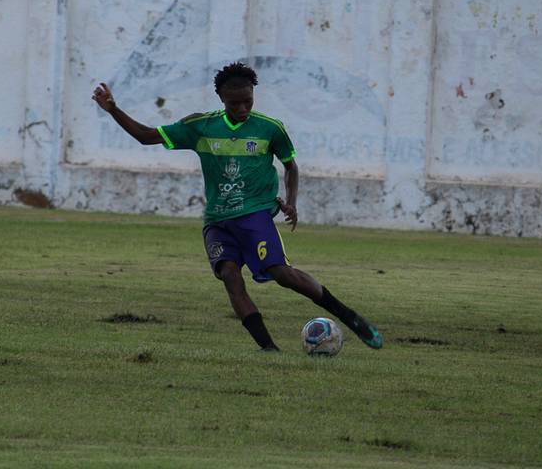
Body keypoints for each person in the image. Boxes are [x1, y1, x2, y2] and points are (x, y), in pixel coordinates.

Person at [92, 62, 383, 352]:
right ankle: (270, 350)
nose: (242, 108)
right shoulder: (200, 126)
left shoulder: (270, 129)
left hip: (255, 215)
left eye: (248, 101)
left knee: (281, 274)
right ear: (220, 97)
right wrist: (113, 109)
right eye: (235, 103)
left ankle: (351, 318)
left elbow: (290, 166)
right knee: (230, 276)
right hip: (218, 221)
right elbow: (146, 136)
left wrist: (291, 202)